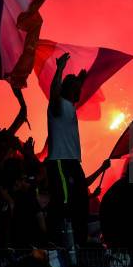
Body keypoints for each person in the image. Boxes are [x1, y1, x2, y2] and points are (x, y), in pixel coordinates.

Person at [45, 52, 89, 245]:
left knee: (81, 200)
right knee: (63, 201)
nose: (81, 91)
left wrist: (81, 78)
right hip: (60, 161)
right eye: (78, 88)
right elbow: (54, 92)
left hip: (72, 162)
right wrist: (60, 69)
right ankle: (55, 240)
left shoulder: (69, 106)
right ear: (69, 89)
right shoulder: (58, 105)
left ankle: (78, 241)